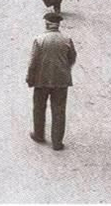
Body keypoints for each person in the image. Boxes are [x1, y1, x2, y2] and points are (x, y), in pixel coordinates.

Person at [26, 10, 77, 150]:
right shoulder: (67, 39)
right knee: (59, 110)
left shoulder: (39, 40)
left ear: (47, 24)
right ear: (58, 25)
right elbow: (72, 58)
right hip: (61, 81)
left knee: (39, 107)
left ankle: (39, 134)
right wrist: (64, 69)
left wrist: (30, 77)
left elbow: (33, 62)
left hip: (41, 80)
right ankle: (57, 142)